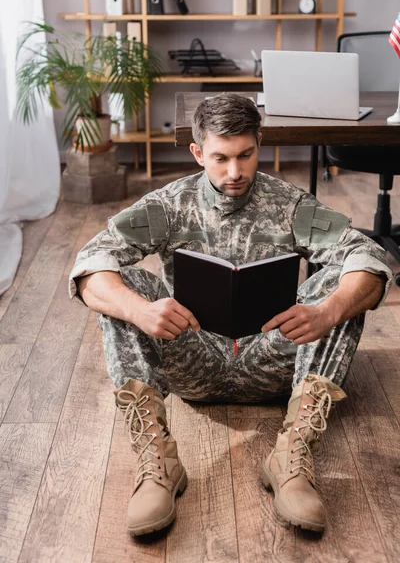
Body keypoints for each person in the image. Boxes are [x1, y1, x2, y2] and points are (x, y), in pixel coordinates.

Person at [69, 93, 391, 536]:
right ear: (198, 152)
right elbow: (90, 262)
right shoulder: (168, 204)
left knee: (343, 283)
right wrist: (141, 311)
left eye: (246, 155)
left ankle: (291, 460)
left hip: (274, 361)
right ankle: (158, 466)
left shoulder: (291, 204)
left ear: (259, 143)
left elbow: (370, 258)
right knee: (129, 287)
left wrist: (327, 311)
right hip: (193, 362)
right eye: (220, 158)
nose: (235, 172)